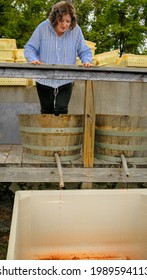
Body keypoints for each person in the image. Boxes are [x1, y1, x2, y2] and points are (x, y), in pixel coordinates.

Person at [24, 1, 92, 115]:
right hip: (44, 79)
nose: (64, 24)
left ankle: (60, 133)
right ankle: (47, 133)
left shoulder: (76, 30)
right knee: (46, 111)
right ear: (54, 18)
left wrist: (87, 61)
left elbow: (84, 50)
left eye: (68, 21)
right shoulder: (42, 28)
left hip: (66, 79)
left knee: (61, 110)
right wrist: (33, 59)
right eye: (61, 20)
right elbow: (29, 47)